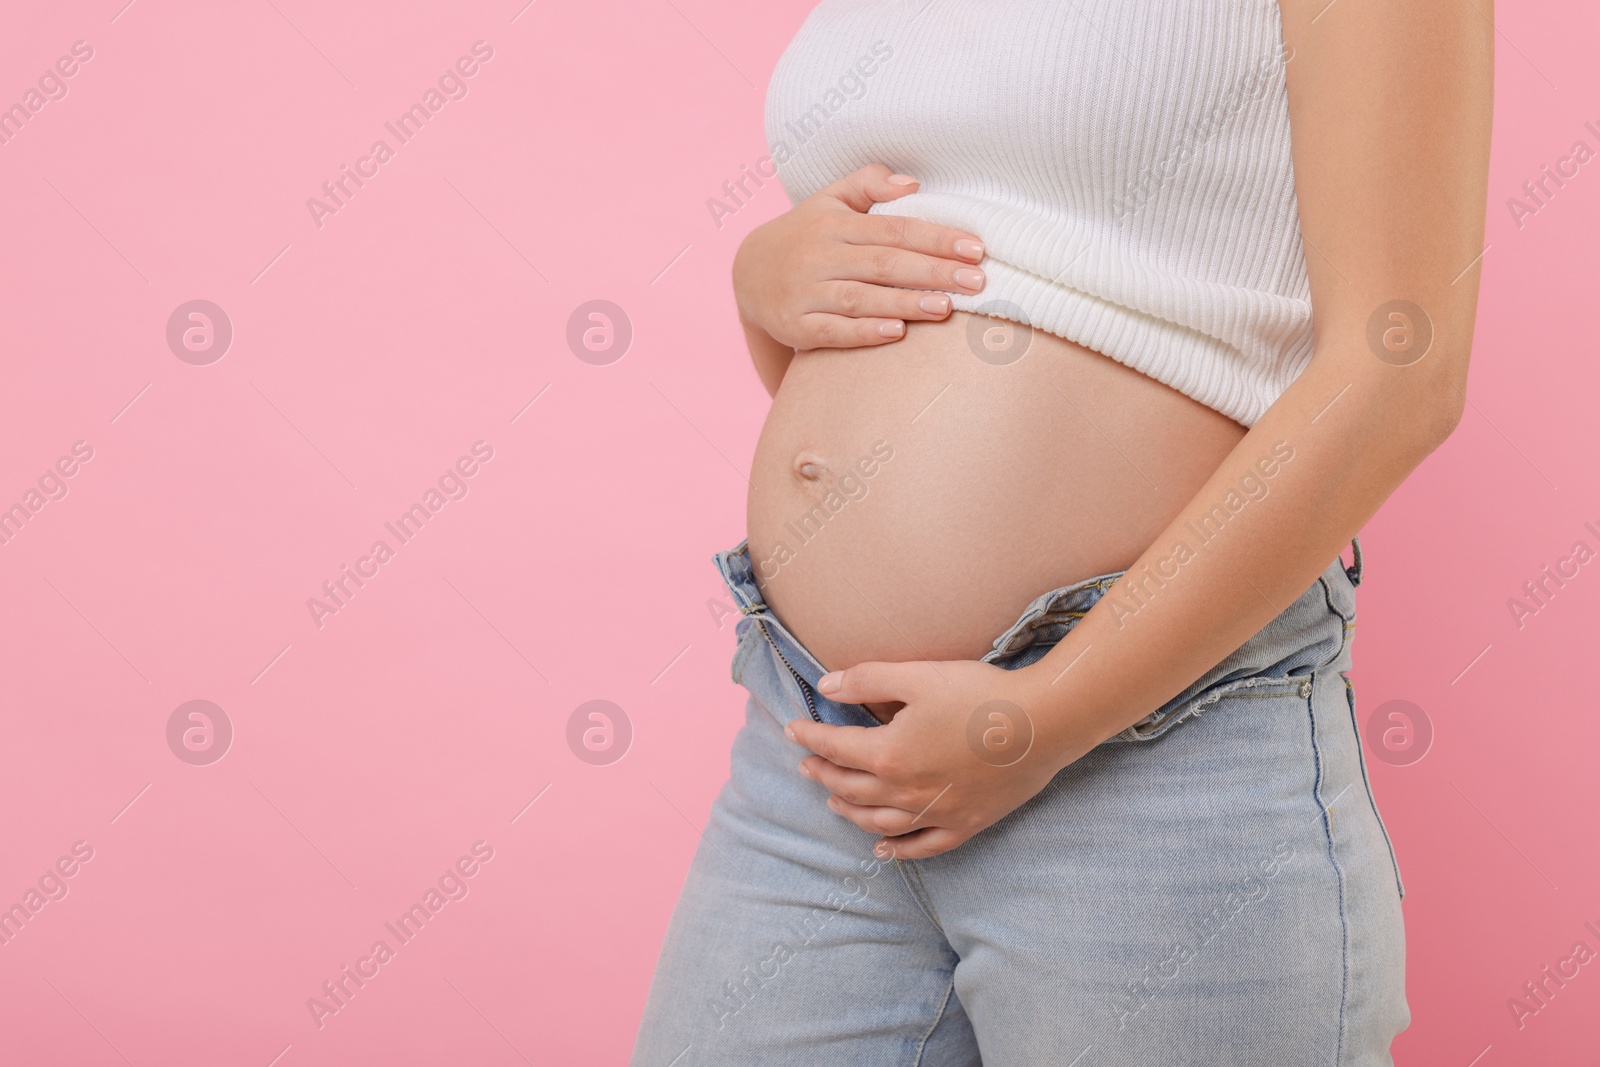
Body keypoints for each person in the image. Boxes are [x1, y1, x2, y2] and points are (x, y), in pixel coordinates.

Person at [633, 0, 1492, 1062]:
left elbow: (1397, 373)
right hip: (816, 744)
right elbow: (967, 267)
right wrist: (764, 284)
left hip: (1153, 749)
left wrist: (1045, 711)